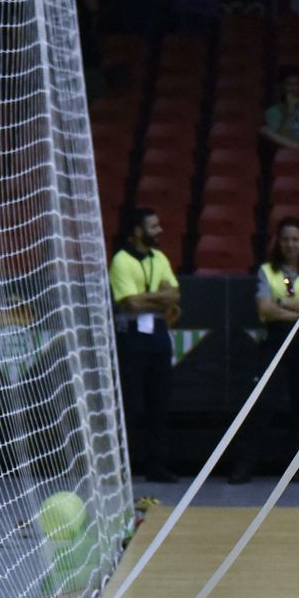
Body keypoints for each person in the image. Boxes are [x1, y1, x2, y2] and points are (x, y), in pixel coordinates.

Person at [229, 216, 299, 484]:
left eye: (295, 239)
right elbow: (264, 308)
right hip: (275, 339)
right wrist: (298, 308)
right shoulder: (267, 271)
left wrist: (281, 303)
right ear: (278, 242)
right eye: (285, 239)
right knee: (262, 402)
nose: (290, 244)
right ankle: (245, 465)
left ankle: (294, 467)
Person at [109, 205, 180, 483]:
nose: (159, 230)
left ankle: (157, 464)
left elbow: (174, 296)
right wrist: (158, 297)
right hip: (132, 337)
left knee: (159, 403)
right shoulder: (121, 260)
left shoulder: (159, 257)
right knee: (129, 403)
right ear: (137, 231)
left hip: (159, 336)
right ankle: (120, 466)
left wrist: (148, 298)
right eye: (153, 226)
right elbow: (129, 303)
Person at [260, 65, 299, 152]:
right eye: (289, 85)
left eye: (296, 84)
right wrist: (289, 113)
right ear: (281, 86)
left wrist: (291, 141)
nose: (293, 89)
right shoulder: (272, 112)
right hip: (284, 154)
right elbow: (278, 142)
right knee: (264, 131)